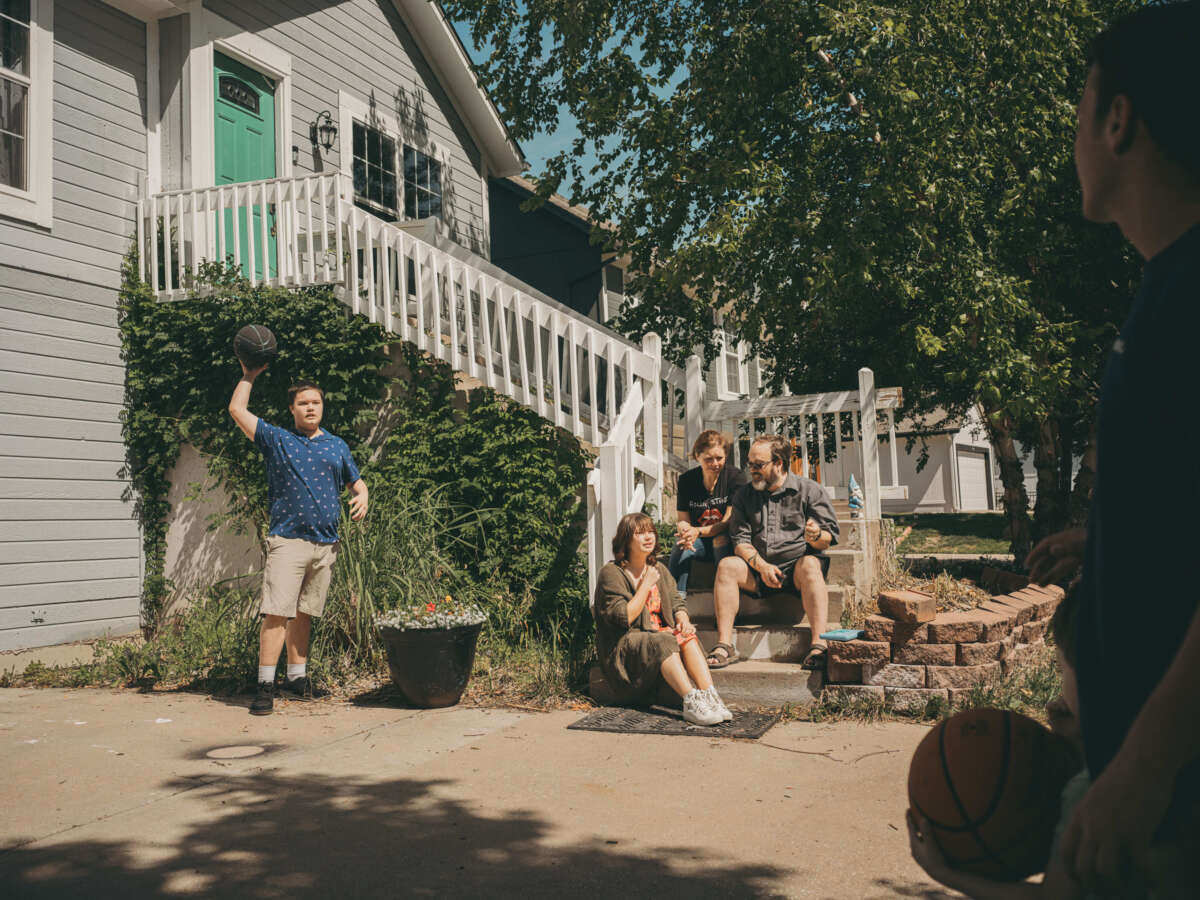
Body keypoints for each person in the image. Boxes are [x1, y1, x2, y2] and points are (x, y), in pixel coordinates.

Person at [1023, 3, 1200, 896]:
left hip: (1168, 808)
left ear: (1119, 119)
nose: (1074, 145)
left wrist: (1142, 774)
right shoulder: (1163, 286)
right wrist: (1109, 539)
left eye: (1079, 114)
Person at [229, 361, 368, 715]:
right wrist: (249, 376)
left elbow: (356, 481)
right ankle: (264, 687)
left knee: (305, 612)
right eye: (303, 403)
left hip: (326, 544)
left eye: (315, 403)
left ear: (322, 407)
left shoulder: (337, 446)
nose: (310, 407)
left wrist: (362, 493)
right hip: (288, 541)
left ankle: (296, 679)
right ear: (292, 409)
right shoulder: (277, 440)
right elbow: (236, 410)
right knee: (277, 613)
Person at [706, 435, 838, 671]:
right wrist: (763, 567)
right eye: (750, 464)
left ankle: (818, 643)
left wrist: (817, 536)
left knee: (810, 564)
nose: (752, 470)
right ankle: (725, 645)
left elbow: (828, 538)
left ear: (779, 463)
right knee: (727, 565)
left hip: (796, 570)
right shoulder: (744, 495)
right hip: (757, 570)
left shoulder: (809, 490)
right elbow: (740, 542)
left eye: (759, 465)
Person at [593, 512, 732, 725]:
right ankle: (691, 702)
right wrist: (646, 584)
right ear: (626, 539)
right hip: (624, 645)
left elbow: (677, 602)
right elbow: (624, 618)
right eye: (640, 533)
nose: (649, 537)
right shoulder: (611, 573)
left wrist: (683, 619)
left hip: (656, 638)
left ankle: (710, 697)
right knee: (665, 639)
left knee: (687, 636)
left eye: (651, 532)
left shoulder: (659, 569)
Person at [668, 430, 748, 599]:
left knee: (721, 538)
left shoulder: (736, 477)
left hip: (729, 543)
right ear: (697, 456)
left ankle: (725, 602)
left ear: (726, 455)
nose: (715, 463)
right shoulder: (687, 480)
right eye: (708, 459)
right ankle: (676, 602)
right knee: (681, 545)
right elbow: (683, 520)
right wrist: (686, 532)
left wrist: (697, 531)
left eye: (719, 458)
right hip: (700, 543)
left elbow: (727, 522)